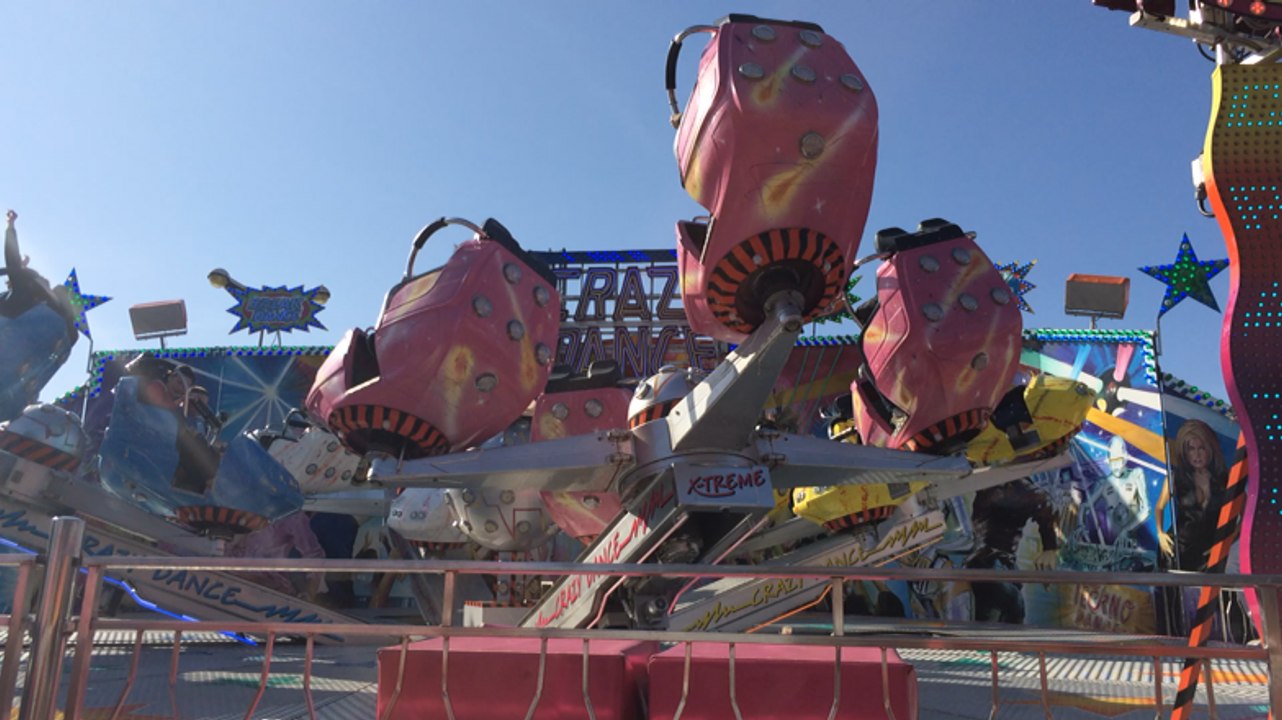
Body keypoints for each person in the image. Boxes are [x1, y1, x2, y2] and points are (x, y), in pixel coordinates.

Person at [964, 478, 1059, 623]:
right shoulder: (995, 485)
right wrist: (1050, 547)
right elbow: (1045, 502)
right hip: (987, 563)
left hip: (994, 563)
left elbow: (1045, 503)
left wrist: (1050, 547)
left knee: (1007, 609)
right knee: (1010, 606)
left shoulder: (1010, 487)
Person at [226, 511, 327, 600]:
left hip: (269, 593)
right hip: (226, 583)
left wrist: (308, 593)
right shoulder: (230, 506)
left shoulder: (290, 515)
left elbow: (314, 555)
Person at [1171, 419, 1229, 572]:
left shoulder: (1224, 479)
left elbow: (1244, 516)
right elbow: (1159, 506)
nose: (1196, 455)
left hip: (1211, 552)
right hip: (1180, 550)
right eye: (1191, 449)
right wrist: (1160, 533)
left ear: (1210, 449)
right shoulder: (1178, 478)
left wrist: (1225, 543)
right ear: (1185, 452)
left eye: (1201, 448)